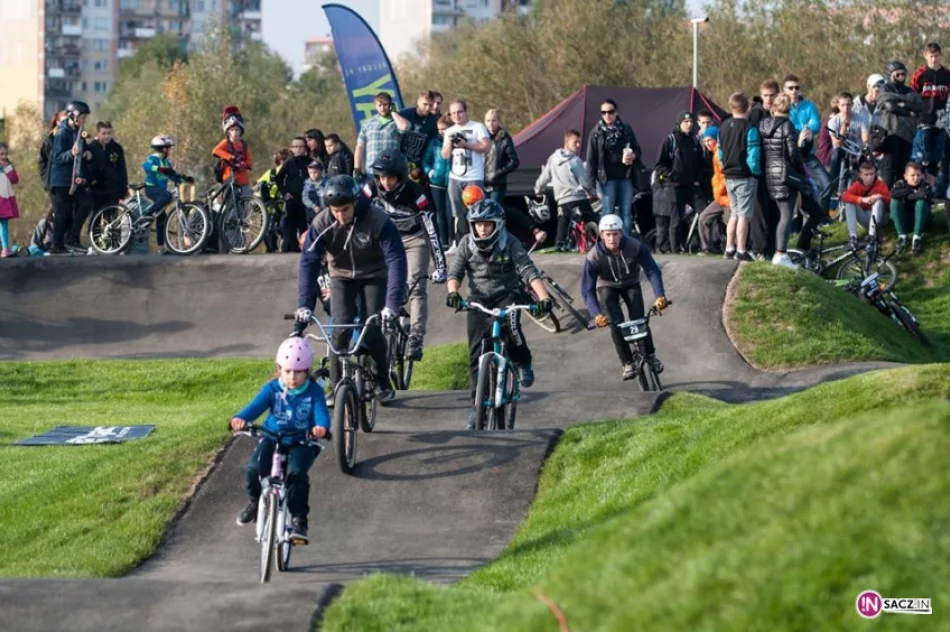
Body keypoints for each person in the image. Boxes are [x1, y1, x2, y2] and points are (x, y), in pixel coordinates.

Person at [295, 175, 408, 403]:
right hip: (341, 277)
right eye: (335, 210)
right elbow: (308, 264)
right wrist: (304, 306)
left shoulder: (377, 219)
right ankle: (335, 386)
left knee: (372, 328)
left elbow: (396, 259)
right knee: (339, 330)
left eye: (345, 209)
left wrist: (391, 305)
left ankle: (382, 380)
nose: (340, 215)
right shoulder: (321, 223)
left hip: (375, 275)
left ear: (356, 201)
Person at [444, 199, 551, 430]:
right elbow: (455, 271)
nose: (482, 229)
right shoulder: (466, 244)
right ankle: (477, 408)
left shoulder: (510, 242)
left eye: (487, 225)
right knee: (474, 354)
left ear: (498, 225)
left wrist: (543, 298)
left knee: (512, 328)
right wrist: (453, 292)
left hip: (507, 295)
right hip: (478, 298)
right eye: (478, 224)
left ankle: (523, 362)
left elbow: (528, 270)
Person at [229, 337, 329, 544]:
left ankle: (300, 519)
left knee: (297, 475)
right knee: (254, 468)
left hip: (302, 441)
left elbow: (321, 413)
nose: (292, 377)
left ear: (307, 371)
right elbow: (255, 407)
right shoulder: (272, 389)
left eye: (298, 372)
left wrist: (321, 427)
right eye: (287, 371)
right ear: (279, 368)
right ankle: (255, 502)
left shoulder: (314, 392)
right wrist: (240, 419)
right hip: (272, 437)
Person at [368, 150, 447, 361]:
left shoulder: (416, 194)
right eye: (381, 177)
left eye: (390, 178)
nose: (385, 183)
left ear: (401, 176)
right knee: (377, 281)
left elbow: (431, 230)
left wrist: (440, 266)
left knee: (416, 287)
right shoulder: (370, 188)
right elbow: (356, 214)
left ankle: (415, 337)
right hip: (386, 240)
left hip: (414, 241)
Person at [582, 214, 668, 380]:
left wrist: (660, 295)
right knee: (615, 324)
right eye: (608, 234)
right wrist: (596, 314)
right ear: (601, 236)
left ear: (622, 233)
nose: (612, 238)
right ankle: (627, 363)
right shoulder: (593, 256)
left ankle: (650, 355)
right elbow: (587, 290)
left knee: (640, 320)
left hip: (631, 282)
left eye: (615, 234)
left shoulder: (635, 246)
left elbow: (652, 270)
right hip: (606, 285)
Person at [759, 93, 809, 269]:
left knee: (780, 215)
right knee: (787, 216)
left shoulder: (763, 124)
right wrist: (801, 173)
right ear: (789, 109)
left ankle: (777, 251)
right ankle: (781, 253)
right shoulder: (788, 126)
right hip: (786, 174)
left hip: (769, 173)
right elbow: (793, 154)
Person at [534, 128, 598, 252]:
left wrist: (538, 188)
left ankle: (559, 246)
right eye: (575, 142)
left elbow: (544, 177)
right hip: (577, 198)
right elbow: (585, 182)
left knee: (562, 226)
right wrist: (593, 194)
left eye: (579, 142)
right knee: (592, 221)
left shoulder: (553, 158)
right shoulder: (575, 160)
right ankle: (599, 245)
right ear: (567, 141)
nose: (578, 145)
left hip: (562, 201)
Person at [585, 98, 642, 236]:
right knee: (607, 211)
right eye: (603, 112)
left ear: (616, 112)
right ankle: (604, 244)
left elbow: (638, 150)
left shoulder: (626, 129)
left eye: (610, 112)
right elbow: (591, 159)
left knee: (626, 212)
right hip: (606, 179)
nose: (607, 115)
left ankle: (626, 243)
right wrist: (590, 185)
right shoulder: (596, 133)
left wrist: (633, 156)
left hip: (625, 176)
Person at [718, 92, 762, 261]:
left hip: (728, 175)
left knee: (734, 213)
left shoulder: (722, 127)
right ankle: (741, 250)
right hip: (745, 176)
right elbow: (753, 155)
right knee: (744, 215)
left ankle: (729, 248)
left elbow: (720, 153)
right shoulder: (750, 128)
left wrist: (725, 168)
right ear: (748, 107)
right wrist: (756, 172)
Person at [442, 99, 491, 242]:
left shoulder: (477, 127)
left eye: (460, 112)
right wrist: (451, 144)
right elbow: (444, 155)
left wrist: (466, 145)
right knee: (457, 213)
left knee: (476, 212)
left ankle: (478, 241)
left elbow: (486, 147)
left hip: (473, 176)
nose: (457, 116)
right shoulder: (450, 131)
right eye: (453, 113)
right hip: (455, 177)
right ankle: (460, 243)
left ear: (466, 112)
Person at [653, 111, 702, 254]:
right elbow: (659, 163)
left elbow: (699, 163)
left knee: (703, 214)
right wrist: (670, 174)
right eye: (686, 122)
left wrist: (698, 178)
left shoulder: (694, 141)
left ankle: (701, 246)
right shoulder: (670, 140)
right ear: (679, 123)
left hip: (691, 186)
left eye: (691, 122)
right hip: (674, 186)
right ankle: (675, 251)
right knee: (676, 220)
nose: (689, 124)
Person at [48, 100, 92, 253]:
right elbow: (57, 157)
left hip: (74, 179)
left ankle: (72, 237)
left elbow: (82, 148)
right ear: (73, 115)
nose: (84, 120)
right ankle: (57, 245)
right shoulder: (62, 132)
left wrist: (87, 153)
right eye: (82, 117)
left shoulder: (78, 132)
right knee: (62, 213)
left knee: (86, 203)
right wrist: (71, 153)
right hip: (61, 180)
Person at [785, 74, 832, 211]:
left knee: (826, 183)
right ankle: (801, 225)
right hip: (791, 156)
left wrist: (800, 130)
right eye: (790, 88)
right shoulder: (782, 106)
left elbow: (816, 125)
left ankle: (822, 216)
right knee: (798, 192)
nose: (794, 90)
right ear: (785, 90)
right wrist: (803, 130)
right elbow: (787, 128)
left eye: (797, 87)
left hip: (807, 154)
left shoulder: (809, 106)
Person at [910, 42, 950, 198]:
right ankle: (921, 190)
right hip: (924, 121)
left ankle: (936, 192)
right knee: (924, 158)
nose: (934, 59)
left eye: (936, 56)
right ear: (926, 56)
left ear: (940, 56)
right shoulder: (919, 74)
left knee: (939, 158)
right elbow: (913, 95)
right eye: (931, 56)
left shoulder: (946, 74)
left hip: (941, 122)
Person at [877, 60, 923, 187]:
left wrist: (902, 103)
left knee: (903, 168)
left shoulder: (909, 90)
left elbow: (919, 106)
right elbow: (889, 106)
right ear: (890, 74)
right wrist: (909, 112)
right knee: (889, 169)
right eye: (898, 74)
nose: (902, 77)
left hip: (907, 135)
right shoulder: (885, 88)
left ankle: (901, 198)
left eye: (903, 74)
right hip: (890, 133)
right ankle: (886, 202)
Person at [142, 135, 181, 254]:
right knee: (167, 196)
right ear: (164, 149)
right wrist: (160, 169)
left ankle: (161, 247)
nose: (170, 150)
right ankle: (147, 213)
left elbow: (172, 174)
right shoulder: (153, 158)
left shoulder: (166, 162)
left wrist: (183, 179)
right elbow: (146, 166)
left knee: (162, 218)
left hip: (160, 192)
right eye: (169, 148)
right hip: (151, 188)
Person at [842, 161, 890, 251]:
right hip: (865, 217)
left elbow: (890, 201)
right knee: (849, 203)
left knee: (878, 201)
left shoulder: (881, 184)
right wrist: (861, 199)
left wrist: (881, 196)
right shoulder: (857, 184)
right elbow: (845, 197)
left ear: (875, 173)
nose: (869, 177)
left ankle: (872, 237)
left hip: (880, 219)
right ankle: (853, 237)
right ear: (860, 175)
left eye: (872, 174)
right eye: (866, 174)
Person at [827, 92, 870, 193]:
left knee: (866, 157)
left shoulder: (861, 119)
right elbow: (837, 144)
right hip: (841, 149)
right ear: (838, 106)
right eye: (843, 105)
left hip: (857, 150)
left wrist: (865, 145)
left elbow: (865, 139)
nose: (846, 108)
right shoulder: (833, 121)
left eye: (848, 104)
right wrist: (843, 127)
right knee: (836, 153)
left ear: (852, 105)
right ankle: (832, 186)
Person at [355, 92, 404, 179]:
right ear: (375, 106)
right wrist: (357, 168)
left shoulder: (397, 122)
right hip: (371, 172)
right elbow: (360, 146)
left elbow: (405, 128)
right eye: (379, 105)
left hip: (391, 171)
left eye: (385, 105)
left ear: (390, 105)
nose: (382, 108)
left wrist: (394, 112)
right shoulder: (368, 123)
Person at [276, 136, 312, 253]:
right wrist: (285, 192)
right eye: (296, 147)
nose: (299, 149)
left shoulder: (310, 161)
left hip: (306, 197)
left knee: (303, 223)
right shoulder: (289, 162)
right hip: (292, 197)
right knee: (290, 223)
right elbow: (278, 178)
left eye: (301, 146)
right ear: (292, 148)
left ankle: (304, 246)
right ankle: (291, 247)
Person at [697, 127, 730, 255]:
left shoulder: (720, 154)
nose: (707, 144)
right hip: (720, 197)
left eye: (709, 140)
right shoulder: (715, 154)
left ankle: (735, 248)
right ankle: (707, 247)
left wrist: (720, 189)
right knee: (704, 218)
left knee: (730, 223)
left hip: (727, 197)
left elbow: (725, 175)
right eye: (705, 141)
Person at [889, 162, 933, 255]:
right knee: (894, 202)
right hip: (906, 221)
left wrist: (906, 196)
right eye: (912, 175)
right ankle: (902, 236)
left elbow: (924, 194)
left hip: (923, 222)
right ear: (905, 176)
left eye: (918, 175)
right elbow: (893, 193)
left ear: (922, 175)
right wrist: (912, 192)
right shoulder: (900, 183)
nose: (916, 178)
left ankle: (917, 238)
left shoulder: (925, 185)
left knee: (921, 202)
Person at [423, 114, 453, 248]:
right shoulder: (434, 142)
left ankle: (454, 240)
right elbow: (426, 160)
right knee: (440, 212)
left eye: (444, 129)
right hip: (436, 181)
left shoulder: (456, 141)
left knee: (451, 213)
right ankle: (444, 240)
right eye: (439, 129)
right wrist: (429, 171)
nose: (442, 132)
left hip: (452, 180)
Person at [87, 121, 129, 215]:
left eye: (109, 133)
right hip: (96, 189)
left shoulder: (117, 148)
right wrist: (91, 181)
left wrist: (124, 188)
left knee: (112, 217)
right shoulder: (91, 148)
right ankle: (93, 230)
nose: (107, 136)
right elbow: (86, 169)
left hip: (113, 189)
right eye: (104, 133)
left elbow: (122, 169)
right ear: (98, 133)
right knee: (96, 216)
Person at [212, 106, 253, 196]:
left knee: (246, 204)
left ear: (241, 131)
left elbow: (249, 161)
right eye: (232, 130)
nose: (234, 133)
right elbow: (215, 150)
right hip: (229, 178)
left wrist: (245, 164)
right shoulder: (225, 143)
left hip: (243, 180)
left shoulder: (244, 145)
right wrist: (229, 157)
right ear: (228, 131)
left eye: (237, 130)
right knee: (232, 205)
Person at [483, 109, 520, 203]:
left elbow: (514, 161)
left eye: (494, 120)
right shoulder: (481, 137)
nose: (491, 124)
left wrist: (497, 173)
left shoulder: (504, 138)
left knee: (493, 212)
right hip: (481, 182)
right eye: (488, 121)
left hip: (497, 185)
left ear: (499, 121)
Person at [257, 149, 290, 253]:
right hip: (270, 207)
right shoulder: (271, 173)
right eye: (281, 159)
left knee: (284, 229)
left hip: (286, 208)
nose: (283, 162)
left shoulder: (293, 174)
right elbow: (258, 185)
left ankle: (283, 249)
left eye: (287, 159)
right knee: (269, 230)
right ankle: (272, 249)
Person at [398, 91, 439, 167]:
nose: (427, 108)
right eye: (425, 104)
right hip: (399, 162)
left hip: (418, 166)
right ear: (418, 102)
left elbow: (431, 146)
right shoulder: (403, 114)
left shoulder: (433, 121)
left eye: (430, 105)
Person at [39, 110, 66, 195]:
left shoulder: (73, 136)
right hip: (55, 183)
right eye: (63, 121)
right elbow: (43, 161)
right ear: (57, 122)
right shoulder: (50, 139)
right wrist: (47, 179)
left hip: (69, 182)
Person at [0, 143, 20, 257]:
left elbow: (15, 179)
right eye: (1, 154)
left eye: (5, 154)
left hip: (5, 199)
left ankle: (5, 248)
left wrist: (7, 167)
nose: (3, 157)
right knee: (2, 224)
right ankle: (4, 248)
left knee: (4, 224)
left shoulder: (8, 166)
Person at [302, 160, 326, 224]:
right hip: (312, 213)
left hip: (325, 211)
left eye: (315, 172)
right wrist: (313, 206)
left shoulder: (326, 183)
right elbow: (305, 198)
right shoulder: (307, 184)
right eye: (310, 173)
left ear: (320, 171)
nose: (313, 175)